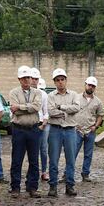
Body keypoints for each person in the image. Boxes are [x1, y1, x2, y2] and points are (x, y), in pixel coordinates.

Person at [8, 66, 43, 198]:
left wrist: (21, 107)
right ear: (19, 79)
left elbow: (37, 107)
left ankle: (32, 187)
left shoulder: (37, 93)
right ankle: (15, 187)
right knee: (17, 159)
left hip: (33, 129)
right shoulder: (13, 93)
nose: (26, 80)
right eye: (23, 78)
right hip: (19, 129)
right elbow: (14, 110)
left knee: (34, 160)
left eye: (28, 77)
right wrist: (27, 108)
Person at [46, 68, 80, 197]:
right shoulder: (50, 96)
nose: (60, 82)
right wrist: (66, 111)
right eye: (57, 80)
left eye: (62, 79)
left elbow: (76, 108)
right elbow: (51, 112)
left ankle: (70, 185)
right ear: (54, 82)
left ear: (66, 80)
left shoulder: (74, 95)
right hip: (55, 129)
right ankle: (53, 186)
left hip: (70, 129)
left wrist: (61, 107)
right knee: (53, 159)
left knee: (70, 159)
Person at [74, 76, 104, 183]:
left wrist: (95, 126)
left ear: (95, 88)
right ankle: (67, 174)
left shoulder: (98, 102)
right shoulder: (76, 98)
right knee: (72, 153)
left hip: (90, 131)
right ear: (85, 84)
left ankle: (85, 174)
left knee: (88, 154)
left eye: (93, 86)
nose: (90, 87)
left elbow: (100, 115)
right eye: (89, 85)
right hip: (77, 130)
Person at [30, 69, 50, 182]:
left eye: (36, 79)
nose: (34, 81)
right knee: (32, 150)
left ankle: (44, 171)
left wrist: (43, 124)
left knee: (43, 148)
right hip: (31, 124)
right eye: (32, 78)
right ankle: (33, 171)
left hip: (43, 124)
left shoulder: (43, 94)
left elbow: (46, 112)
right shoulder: (27, 94)